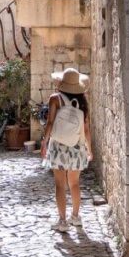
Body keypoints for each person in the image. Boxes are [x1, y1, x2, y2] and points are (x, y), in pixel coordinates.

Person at [40, 67, 93, 232]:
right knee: (75, 183)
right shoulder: (83, 102)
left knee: (60, 184)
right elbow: (86, 129)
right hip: (76, 146)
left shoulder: (55, 99)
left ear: (62, 83)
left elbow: (50, 123)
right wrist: (89, 149)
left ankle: (62, 221)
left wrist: (44, 142)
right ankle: (76, 217)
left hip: (58, 147)